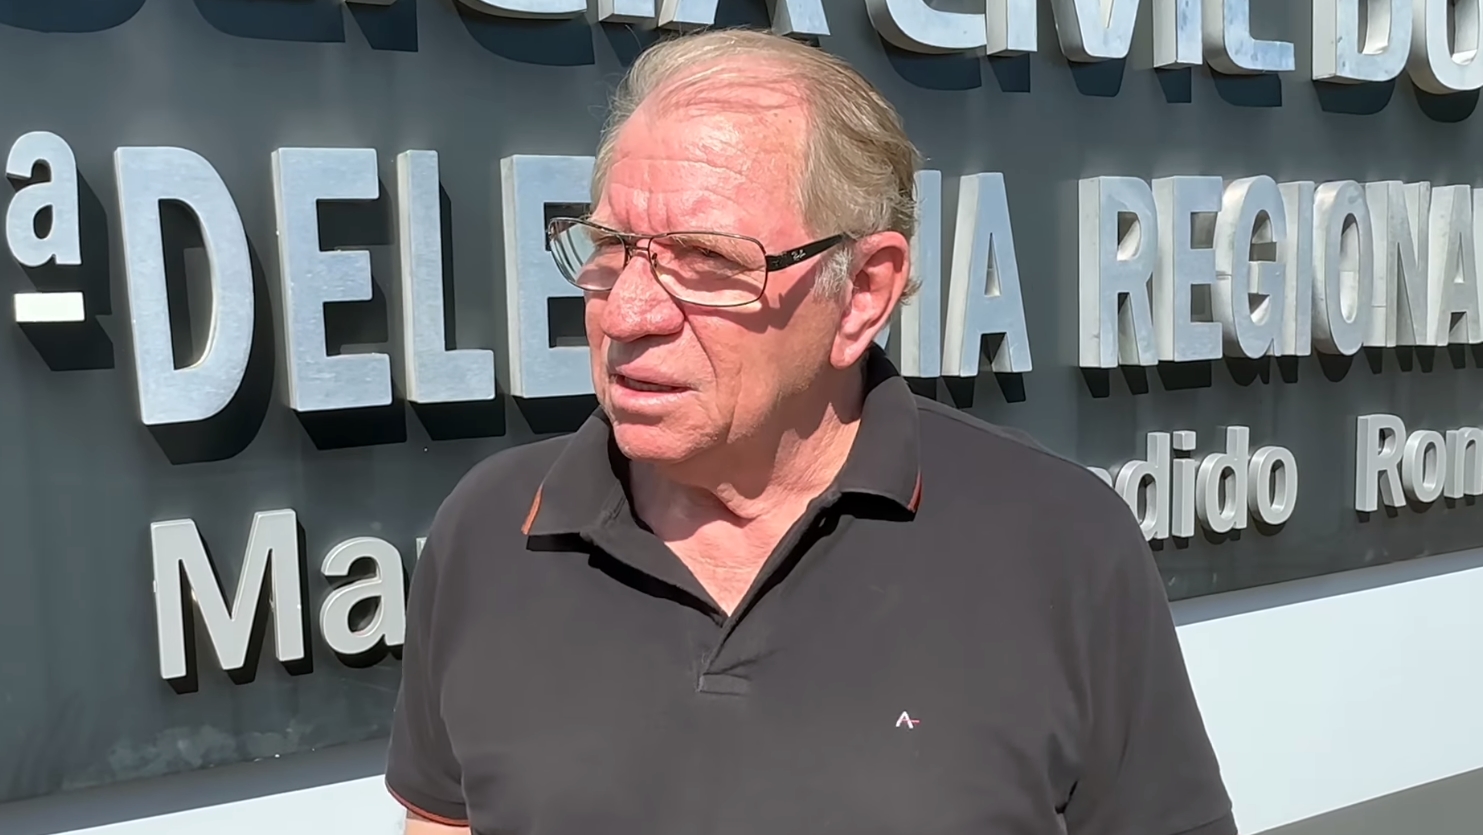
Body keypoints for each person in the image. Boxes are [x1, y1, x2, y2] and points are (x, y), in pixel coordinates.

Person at [386, 27, 1236, 835]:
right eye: (611, 245)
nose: (629, 311)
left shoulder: (1060, 542)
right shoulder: (493, 528)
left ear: (863, 292)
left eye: (707, 260)